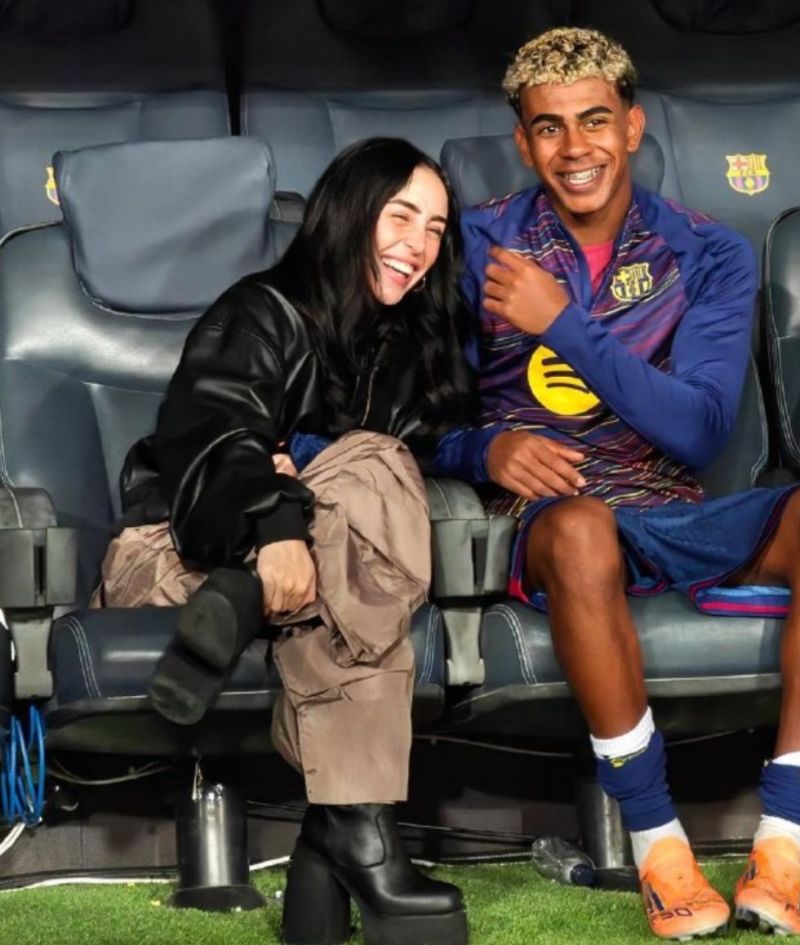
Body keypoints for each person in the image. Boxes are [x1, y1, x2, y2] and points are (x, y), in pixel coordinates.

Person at [431, 27, 800, 940]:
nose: (575, 147)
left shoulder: (705, 251)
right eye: (549, 127)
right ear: (523, 142)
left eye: (595, 121)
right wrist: (484, 449)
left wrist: (562, 322)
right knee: (581, 527)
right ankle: (660, 846)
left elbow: (702, 428)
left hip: (673, 507)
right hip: (551, 521)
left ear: (632, 127)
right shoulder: (475, 246)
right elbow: (406, 416)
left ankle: (782, 845)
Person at [96, 138, 472, 945]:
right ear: (351, 213)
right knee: (371, 485)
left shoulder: (401, 348)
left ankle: (252, 610)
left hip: (262, 579)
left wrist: (298, 509)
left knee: (370, 493)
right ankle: (354, 832)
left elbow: (425, 459)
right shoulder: (259, 312)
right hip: (168, 555)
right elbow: (217, 440)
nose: (418, 244)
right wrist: (275, 526)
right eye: (400, 216)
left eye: (436, 229)